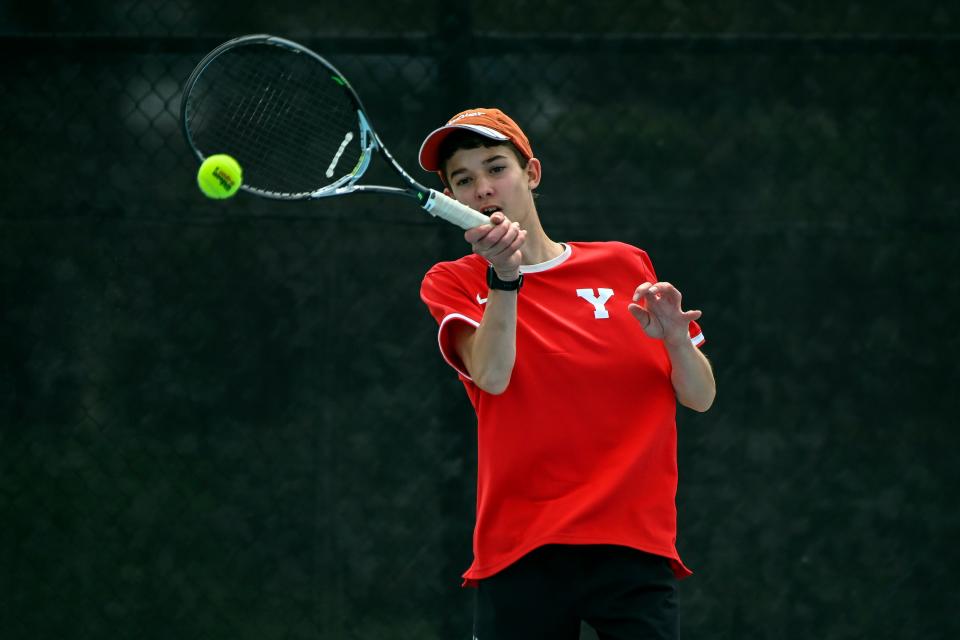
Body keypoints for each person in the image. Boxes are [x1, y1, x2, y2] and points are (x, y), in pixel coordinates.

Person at [417, 107, 716, 640]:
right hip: (522, 548)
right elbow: (492, 374)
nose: (484, 188)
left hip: (633, 546)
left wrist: (675, 338)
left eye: (496, 168)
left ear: (531, 173)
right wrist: (504, 279)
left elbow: (699, 396)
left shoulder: (624, 265)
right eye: (464, 180)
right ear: (453, 199)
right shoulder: (453, 281)